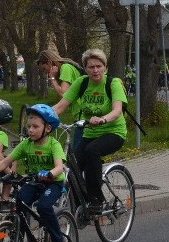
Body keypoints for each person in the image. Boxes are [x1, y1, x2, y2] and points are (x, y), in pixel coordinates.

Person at [0, 104, 68, 242]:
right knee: (19, 202)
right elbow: (6, 161)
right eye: (29, 126)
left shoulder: (54, 145)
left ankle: (59, 241)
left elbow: (59, 167)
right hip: (33, 181)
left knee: (44, 207)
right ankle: (19, 237)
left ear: (47, 128)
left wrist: (49, 173)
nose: (30, 130)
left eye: (35, 126)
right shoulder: (26, 144)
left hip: (52, 183)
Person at [52, 48, 127, 214]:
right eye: (91, 67)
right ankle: (80, 203)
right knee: (72, 166)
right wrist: (41, 117)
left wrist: (102, 119)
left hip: (113, 132)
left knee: (92, 150)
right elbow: (60, 106)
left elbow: (117, 111)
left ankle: (96, 199)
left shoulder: (112, 83)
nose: (95, 70)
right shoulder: (82, 83)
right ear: (85, 69)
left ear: (105, 68)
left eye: (99, 66)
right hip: (89, 132)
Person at [38, 49, 85, 149]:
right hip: (80, 113)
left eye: (44, 68)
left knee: (77, 152)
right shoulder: (65, 67)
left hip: (83, 113)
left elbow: (63, 93)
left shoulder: (66, 68)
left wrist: (52, 78)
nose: (45, 72)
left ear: (50, 62)